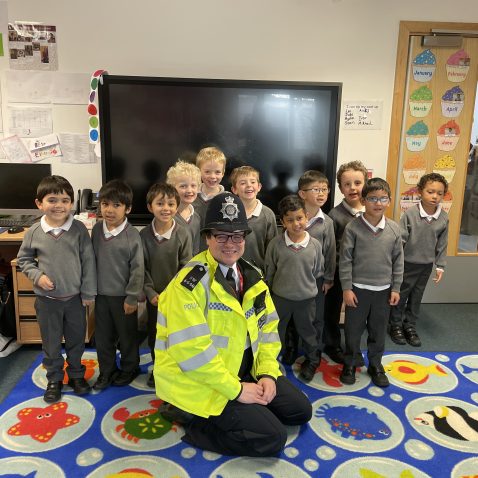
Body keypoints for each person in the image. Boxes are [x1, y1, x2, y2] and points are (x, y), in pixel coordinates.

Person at [154, 192, 312, 457]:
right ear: (207, 238)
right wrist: (236, 390)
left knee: (300, 411)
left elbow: (268, 332)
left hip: (242, 369)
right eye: (221, 235)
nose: (231, 243)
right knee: (272, 438)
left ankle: (249, 405)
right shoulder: (187, 286)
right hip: (201, 381)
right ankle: (191, 419)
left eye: (237, 235)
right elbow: (192, 353)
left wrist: (267, 374)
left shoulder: (252, 275)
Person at [17, 175, 96, 403]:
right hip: (47, 301)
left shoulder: (79, 229)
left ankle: (76, 375)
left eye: (65, 200)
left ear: (71, 203)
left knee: (76, 341)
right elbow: (24, 261)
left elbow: (89, 261)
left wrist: (88, 293)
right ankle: (54, 379)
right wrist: (37, 276)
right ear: (39, 204)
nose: (59, 205)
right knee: (51, 343)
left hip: (75, 300)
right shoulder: (33, 231)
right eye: (52, 200)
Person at [339, 178, 404, 388]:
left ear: (389, 200)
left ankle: (375, 364)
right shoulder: (353, 228)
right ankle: (349, 363)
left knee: (378, 330)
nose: (378, 203)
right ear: (364, 200)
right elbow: (345, 259)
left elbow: (398, 261)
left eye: (383, 198)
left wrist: (396, 288)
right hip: (357, 290)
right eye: (373, 198)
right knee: (353, 330)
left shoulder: (394, 229)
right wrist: (347, 288)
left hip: (383, 292)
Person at [91, 179, 144, 390]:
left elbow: (138, 269)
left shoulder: (132, 236)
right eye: (105, 204)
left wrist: (132, 297)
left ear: (128, 208)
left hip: (124, 298)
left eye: (116, 205)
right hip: (101, 296)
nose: (109, 210)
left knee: (127, 336)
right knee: (103, 337)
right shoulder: (96, 230)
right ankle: (107, 370)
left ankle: (130, 367)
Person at [264, 195, 323, 382]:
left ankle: (312, 360)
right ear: (282, 222)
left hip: (306, 300)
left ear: (306, 217)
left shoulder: (315, 245)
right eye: (290, 220)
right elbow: (270, 271)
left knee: (307, 331)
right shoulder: (275, 244)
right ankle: (271, 363)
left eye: (299, 218)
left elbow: (317, 270)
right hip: (280, 298)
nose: (296, 223)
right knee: (276, 331)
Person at [140, 182, 192, 387]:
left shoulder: (183, 233)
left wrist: (173, 294)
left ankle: (175, 368)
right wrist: (151, 293)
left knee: (176, 335)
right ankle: (158, 368)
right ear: (150, 207)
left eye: (171, 204)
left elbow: (186, 266)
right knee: (156, 336)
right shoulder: (143, 235)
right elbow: (141, 267)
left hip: (176, 297)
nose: (166, 208)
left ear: (177, 207)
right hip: (155, 300)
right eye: (160, 203)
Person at [389, 173, 449, 347]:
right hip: (407, 264)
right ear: (421, 191)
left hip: (426, 266)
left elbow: (442, 244)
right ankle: (396, 325)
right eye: (430, 192)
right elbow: (400, 240)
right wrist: (395, 262)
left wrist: (440, 266)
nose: (435, 196)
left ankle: (410, 326)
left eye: (439, 193)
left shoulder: (443, 218)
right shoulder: (410, 215)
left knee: (417, 296)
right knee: (401, 294)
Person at [325, 161, 368, 365]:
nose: (353, 188)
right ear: (340, 188)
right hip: (339, 272)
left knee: (357, 313)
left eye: (357, 182)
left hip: (363, 273)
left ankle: (353, 347)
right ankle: (332, 344)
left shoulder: (372, 211)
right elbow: (332, 249)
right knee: (332, 310)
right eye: (347, 184)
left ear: (365, 184)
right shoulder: (335, 215)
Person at [297, 170, 335, 363]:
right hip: (296, 277)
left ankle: (315, 352)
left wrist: (328, 278)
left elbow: (330, 252)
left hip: (317, 278)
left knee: (316, 316)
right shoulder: (295, 218)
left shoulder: (327, 222)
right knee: (297, 314)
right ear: (302, 194)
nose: (321, 194)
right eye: (316, 189)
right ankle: (293, 349)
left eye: (325, 189)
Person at [230, 165, 277, 271]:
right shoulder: (228, 213)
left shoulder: (268, 215)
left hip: (258, 272)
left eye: (252, 182)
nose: (248, 186)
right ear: (234, 189)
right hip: (230, 271)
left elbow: (272, 249)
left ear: (259, 187)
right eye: (243, 183)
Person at [166, 160, 202, 255]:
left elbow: (195, 250)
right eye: (183, 186)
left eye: (193, 185)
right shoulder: (167, 216)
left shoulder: (196, 217)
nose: (189, 190)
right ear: (172, 188)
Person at [193, 146, 227, 235]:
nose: (212, 176)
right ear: (198, 171)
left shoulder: (228, 200)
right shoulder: (190, 196)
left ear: (223, 173)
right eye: (207, 172)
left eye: (217, 172)